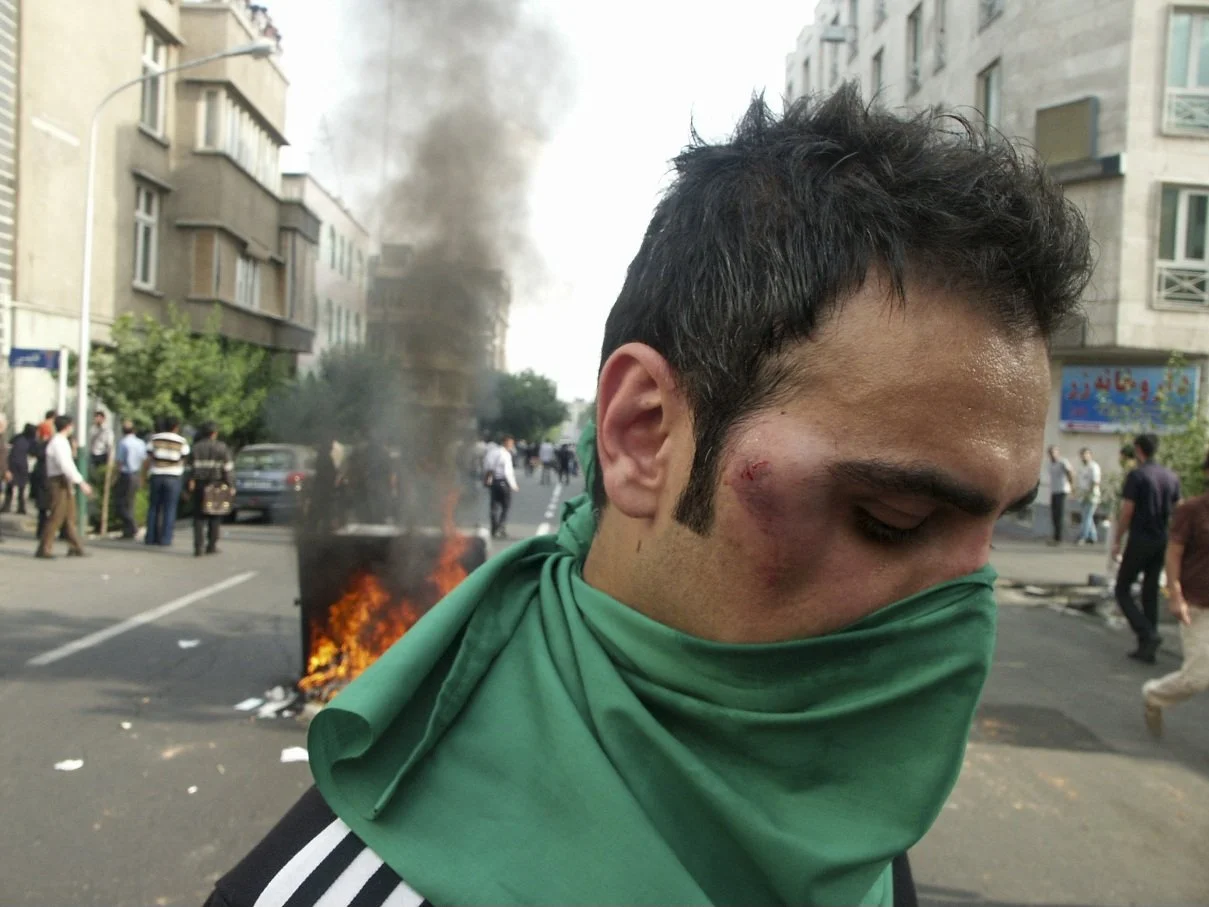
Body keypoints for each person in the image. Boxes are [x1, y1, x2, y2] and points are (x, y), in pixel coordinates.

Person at [206, 86, 1093, 907]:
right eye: (888, 518)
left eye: (995, 527)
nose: (958, 624)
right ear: (641, 436)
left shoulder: (837, 810)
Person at [1142, 452, 1209, 737]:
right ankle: (1154, 695)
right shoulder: (1192, 510)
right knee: (1197, 678)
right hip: (1196, 605)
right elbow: (1174, 553)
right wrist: (1174, 595)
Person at [1112, 433, 1181, 664]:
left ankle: (1147, 633)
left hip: (1140, 539)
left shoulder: (1137, 475)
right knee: (1150, 591)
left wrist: (1117, 539)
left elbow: (1127, 511)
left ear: (1139, 450)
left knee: (1122, 588)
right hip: (1162, 539)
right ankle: (1147, 647)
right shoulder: (1171, 477)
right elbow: (1179, 510)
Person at [35, 415, 93, 558]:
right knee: (57, 515)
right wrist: (81, 482)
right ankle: (44, 548)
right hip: (58, 481)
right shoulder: (58, 443)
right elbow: (65, 465)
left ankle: (75, 546)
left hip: (63, 481)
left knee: (69, 515)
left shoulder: (61, 442)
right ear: (67, 426)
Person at [188, 422, 234, 556]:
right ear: (214, 433)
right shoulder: (222, 448)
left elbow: (190, 469)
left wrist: (189, 484)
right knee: (215, 514)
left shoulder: (196, 448)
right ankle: (211, 545)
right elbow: (228, 469)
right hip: (217, 486)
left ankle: (198, 547)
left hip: (199, 485)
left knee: (198, 516)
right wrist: (231, 485)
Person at [144, 417, 190, 546]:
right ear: (176, 427)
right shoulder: (181, 441)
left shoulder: (154, 439)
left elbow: (149, 456)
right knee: (170, 508)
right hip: (173, 476)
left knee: (154, 507)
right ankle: (166, 538)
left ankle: (151, 537)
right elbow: (184, 457)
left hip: (156, 475)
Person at [113, 421, 147, 539]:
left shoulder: (123, 443)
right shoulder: (141, 443)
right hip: (136, 474)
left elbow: (119, 462)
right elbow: (144, 460)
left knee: (120, 504)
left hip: (126, 474)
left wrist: (115, 476)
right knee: (130, 502)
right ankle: (128, 531)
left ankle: (131, 525)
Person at [484, 434, 518, 538]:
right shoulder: (505, 454)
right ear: (506, 442)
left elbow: (487, 466)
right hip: (503, 482)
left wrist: (487, 479)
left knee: (494, 507)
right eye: (511, 443)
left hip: (494, 482)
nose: (512, 445)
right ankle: (501, 527)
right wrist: (513, 485)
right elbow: (508, 472)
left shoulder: (492, 452)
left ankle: (494, 528)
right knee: (505, 506)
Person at [3, 423, 35, 515]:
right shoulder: (31, 440)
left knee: (10, 486)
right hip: (22, 465)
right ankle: (21, 508)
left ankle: (6, 506)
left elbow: (9, 445)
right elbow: (33, 452)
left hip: (12, 463)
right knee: (21, 487)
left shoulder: (17, 437)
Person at [1046, 444, 1074, 544]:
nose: (1053, 454)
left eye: (1054, 452)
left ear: (1058, 453)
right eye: (1051, 453)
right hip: (1054, 491)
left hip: (1062, 491)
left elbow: (1070, 473)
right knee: (1054, 515)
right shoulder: (1050, 464)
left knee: (1059, 515)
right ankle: (1055, 536)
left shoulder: (1063, 462)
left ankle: (1059, 538)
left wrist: (1071, 487)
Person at [1075, 447, 1102, 545]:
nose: (1084, 456)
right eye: (1082, 455)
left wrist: (1089, 494)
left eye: (1086, 454)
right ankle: (1093, 537)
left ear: (1090, 455)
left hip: (1091, 496)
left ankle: (1083, 537)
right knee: (1087, 516)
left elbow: (1095, 482)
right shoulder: (1082, 467)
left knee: (1086, 516)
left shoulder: (1093, 466)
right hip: (1082, 495)